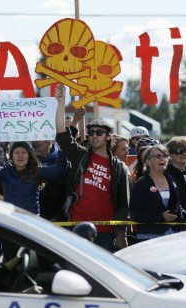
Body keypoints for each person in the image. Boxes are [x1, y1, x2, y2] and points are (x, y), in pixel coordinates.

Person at [54, 84, 130, 252]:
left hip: (106, 232)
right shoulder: (80, 155)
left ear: (108, 136)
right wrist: (60, 102)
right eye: (91, 132)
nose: (94, 136)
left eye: (99, 132)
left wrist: (121, 234)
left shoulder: (119, 168)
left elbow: (123, 205)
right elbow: (61, 134)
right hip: (76, 227)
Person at [0, 138, 66, 215]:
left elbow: (59, 171)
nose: (20, 155)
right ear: (12, 156)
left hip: (32, 220)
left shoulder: (37, 170)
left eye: (23, 152)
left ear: (29, 156)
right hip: (12, 219)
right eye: (17, 153)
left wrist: (62, 149)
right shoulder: (5, 171)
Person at [129, 144, 186, 242]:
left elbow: (178, 207)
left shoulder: (172, 181)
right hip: (148, 239)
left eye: (165, 156)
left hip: (171, 237)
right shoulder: (141, 184)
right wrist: (160, 217)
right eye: (158, 156)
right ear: (148, 161)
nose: (162, 159)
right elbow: (135, 215)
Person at [32, 138, 68, 221]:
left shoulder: (63, 160)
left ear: (48, 140)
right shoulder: (26, 161)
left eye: (36, 137)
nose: (33, 141)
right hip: (32, 219)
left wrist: (58, 217)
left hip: (55, 221)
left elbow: (67, 192)